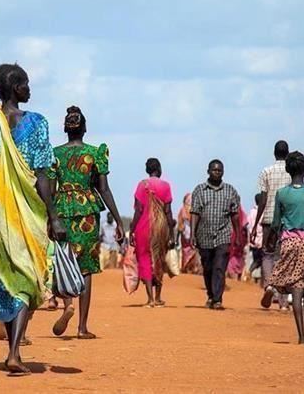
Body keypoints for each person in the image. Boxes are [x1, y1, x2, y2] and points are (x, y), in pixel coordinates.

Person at [0, 63, 65, 375]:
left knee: (8, 281)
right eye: (26, 84)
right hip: (24, 214)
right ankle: (15, 352)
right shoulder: (37, 123)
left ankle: (12, 349)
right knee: (26, 281)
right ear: (16, 88)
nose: (30, 89)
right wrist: (53, 215)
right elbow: (43, 174)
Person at [47, 105, 124, 337]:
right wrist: (118, 220)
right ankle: (82, 327)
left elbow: (49, 192)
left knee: (63, 261)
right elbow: (104, 189)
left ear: (65, 129)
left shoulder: (55, 154)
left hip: (61, 212)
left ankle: (67, 304)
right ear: (85, 128)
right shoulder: (96, 152)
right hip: (88, 211)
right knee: (86, 268)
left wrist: (49, 219)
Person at [260, 152, 304, 344]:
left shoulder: (282, 194)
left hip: (289, 243)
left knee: (295, 290)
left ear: (288, 170)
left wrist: (270, 241)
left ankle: (301, 336)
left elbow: (276, 223)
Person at [190, 159, 241, 310]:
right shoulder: (199, 190)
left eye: (219, 170)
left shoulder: (230, 191)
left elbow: (235, 215)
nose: (217, 173)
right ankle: (211, 295)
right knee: (208, 268)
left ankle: (218, 299)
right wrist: (192, 234)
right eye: (214, 170)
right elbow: (195, 213)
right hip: (204, 235)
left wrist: (237, 234)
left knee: (219, 267)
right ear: (208, 171)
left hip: (223, 234)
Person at [251, 140, 292, 309]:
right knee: (283, 258)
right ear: (287, 154)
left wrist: (255, 225)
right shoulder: (292, 172)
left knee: (267, 254)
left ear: (274, 153)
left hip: (268, 219)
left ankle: (268, 286)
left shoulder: (265, 172)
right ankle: (283, 303)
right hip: (287, 220)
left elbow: (263, 199)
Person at [129, 158, 175, 307]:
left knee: (144, 259)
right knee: (159, 258)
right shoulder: (166, 186)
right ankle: (158, 297)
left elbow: (138, 210)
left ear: (147, 170)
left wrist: (132, 229)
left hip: (143, 227)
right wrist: (171, 233)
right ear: (159, 169)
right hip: (161, 228)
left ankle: (150, 299)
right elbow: (168, 211)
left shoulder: (142, 185)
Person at [176, 193, 202, 274]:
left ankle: (194, 270)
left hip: (194, 236)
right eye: (188, 200)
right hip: (185, 237)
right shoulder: (182, 210)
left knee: (195, 254)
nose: (190, 201)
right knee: (185, 254)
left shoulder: (196, 210)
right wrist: (177, 238)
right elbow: (180, 225)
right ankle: (186, 270)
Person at [227, 207, 249, 280]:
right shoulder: (242, 214)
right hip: (238, 240)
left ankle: (235, 279)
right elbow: (245, 226)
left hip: (233, 240)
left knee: (231, 259)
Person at [247, 193, 265, 282]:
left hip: (253, 240)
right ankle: (249, 273)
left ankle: (251, 275)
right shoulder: (262, 213)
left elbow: (248, 225)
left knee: (257, 260)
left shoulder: (251, 211)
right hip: (260, 239)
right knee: (261, 260)